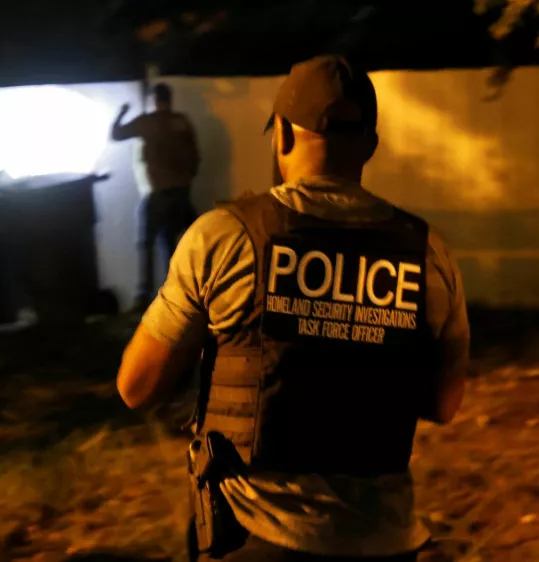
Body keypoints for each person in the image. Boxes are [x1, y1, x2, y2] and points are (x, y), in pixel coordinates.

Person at [115, 55, 470, 562]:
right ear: (370, 144)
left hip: (255, 538)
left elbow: (136, 386)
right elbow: (443, 404)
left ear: (281, 134)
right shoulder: (429, 251)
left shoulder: (226, 237)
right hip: (386, 542)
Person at [112, 83, 201, 313]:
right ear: (170, 99)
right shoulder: (181, 121)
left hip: (157, 193)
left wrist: (121, 112)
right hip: (181, 193)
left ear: (154, 99)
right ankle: (176, 298)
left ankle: (144, 296)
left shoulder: (147, 122)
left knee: (146, 244)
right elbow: (195, 156)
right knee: (171, 245)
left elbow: (116, 134)